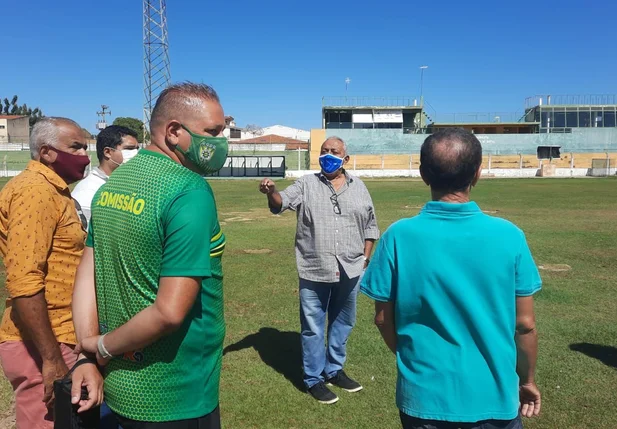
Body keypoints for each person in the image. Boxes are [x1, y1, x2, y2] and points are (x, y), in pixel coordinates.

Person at [361, 128, 542, 429]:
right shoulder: (509, 235)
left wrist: (414, 362)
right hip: (494, 397)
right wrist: (528, 380)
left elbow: (382, 319)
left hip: (423, 398)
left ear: (423, 174)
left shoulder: (398, 236)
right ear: (477, 173)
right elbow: (524, 325)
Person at [72, 82, 228, 429]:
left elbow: (86, 276)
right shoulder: (189, 191)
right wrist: (102, 347)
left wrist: (87, 352)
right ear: (174, 132)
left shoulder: (112, 185)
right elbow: (169, 312)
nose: (221, 143)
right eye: (213, 132)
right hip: (178, 395)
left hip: (120, 390)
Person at [259, 136, 379, 405]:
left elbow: (371, 225)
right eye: (324, 151)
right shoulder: (306, 184)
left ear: (345, 158)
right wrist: (271, 192)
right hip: (315, 267)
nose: (328, 155)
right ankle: (313, 378)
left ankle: (334, 370)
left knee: (343, 322)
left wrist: (365, 259)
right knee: (313, 327)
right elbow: (280, 203)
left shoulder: (359, 187)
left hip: (351, 268)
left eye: (334, 152)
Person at [0, 117, 103, 429]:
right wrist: (51, 358)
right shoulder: (35, 192)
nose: (85, 155)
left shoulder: (55, 191)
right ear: (45, 153)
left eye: (86, 146)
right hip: (46, 340)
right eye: (75, 147)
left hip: (61, 335)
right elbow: (24, 280)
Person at [73, 125, 140, 225]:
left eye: (137, 149)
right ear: (108, 152)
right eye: (129, 149)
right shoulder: (87, 192)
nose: (136, 154)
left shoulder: (128, 183)